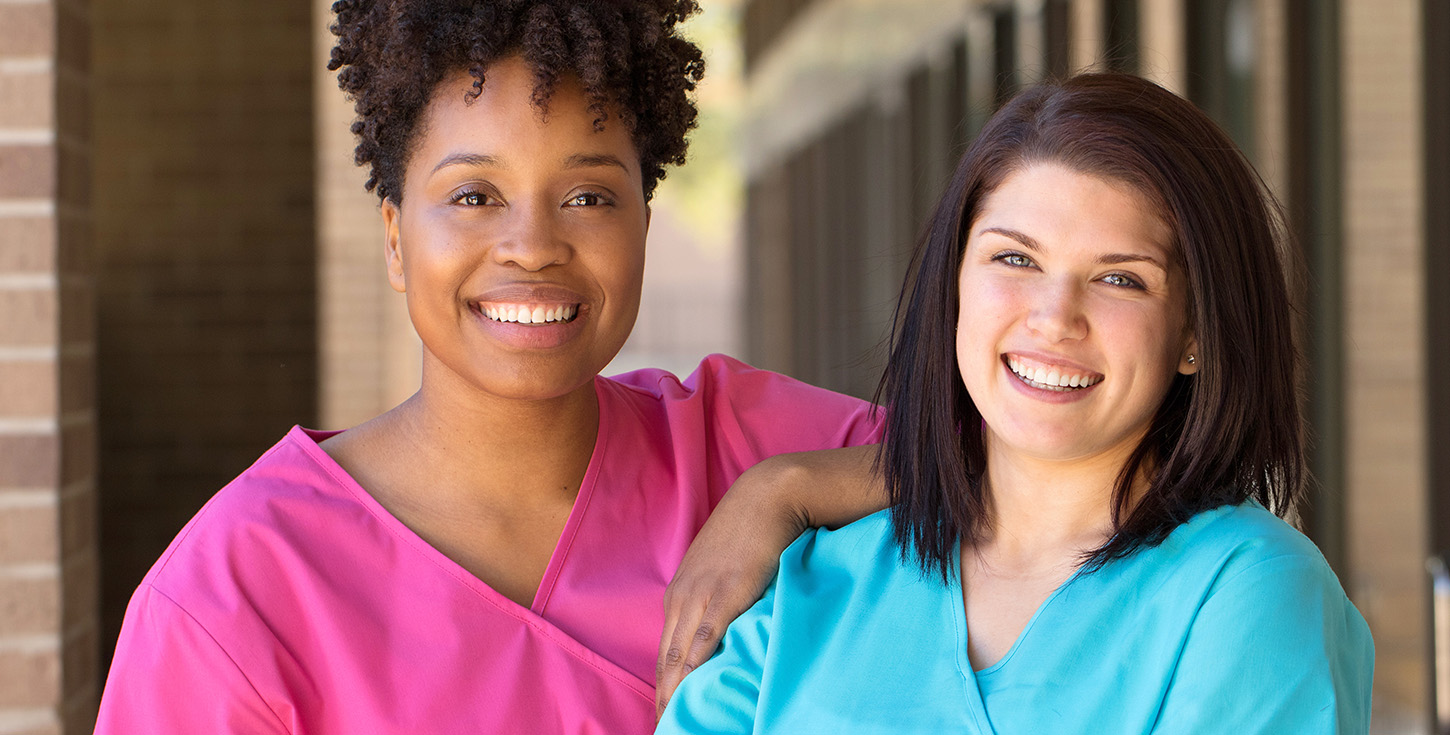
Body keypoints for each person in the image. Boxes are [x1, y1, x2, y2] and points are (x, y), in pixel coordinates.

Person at [93, 1, 883, 732]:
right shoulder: (240, 592)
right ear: (396, 239)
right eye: (474, 195)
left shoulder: (745, 446)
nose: (534, 245)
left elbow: (994, 458)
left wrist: (783, 493)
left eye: (589, 197)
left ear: (644, 220)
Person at [656, 73, 1375, 733]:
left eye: (1121, 279)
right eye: (1015, 259)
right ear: (955, 285)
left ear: (1195, 334)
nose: (1054, 316)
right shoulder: (809, 594)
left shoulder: (1248, 595)